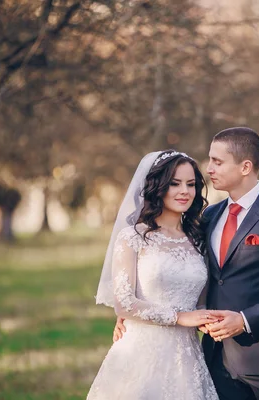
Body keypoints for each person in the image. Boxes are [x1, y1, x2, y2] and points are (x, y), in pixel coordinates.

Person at [114, 127, 259, 400]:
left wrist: (245, 320)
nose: (208, 169)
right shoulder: (208, 217)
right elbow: (185, 273)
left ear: (245, 167)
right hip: (214, 362)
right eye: (209, 160)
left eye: (217, 162)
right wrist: (134, 311)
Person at [87, 150, 219, 399]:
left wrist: (206, 318)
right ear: (157, 186)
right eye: (174, 183)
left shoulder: (198, 239)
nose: (185, 191)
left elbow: (201, 300)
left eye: (191, 184)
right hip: (141, 351)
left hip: (187, 356)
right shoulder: (133, 237)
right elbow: (124, 303)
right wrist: (180, 317)